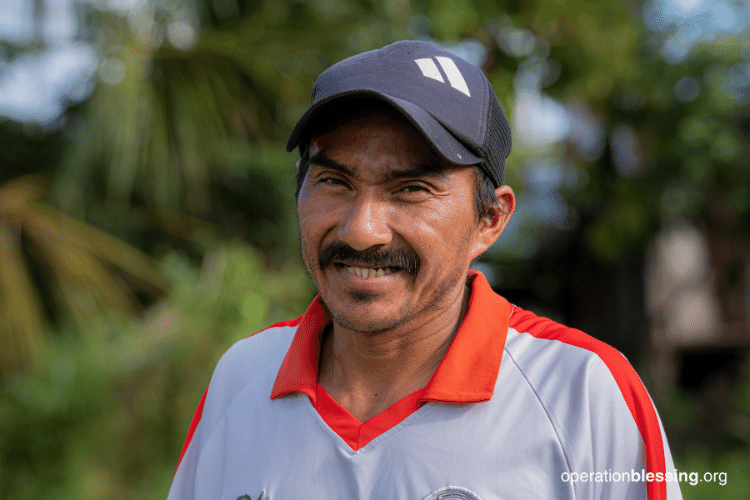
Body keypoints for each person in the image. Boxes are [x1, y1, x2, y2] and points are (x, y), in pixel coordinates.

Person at [167, 40, 682, 500]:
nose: (360, 230)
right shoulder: (243, 379)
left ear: (489, 219)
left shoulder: (581, 393)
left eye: (410, 188)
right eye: (333, 181)